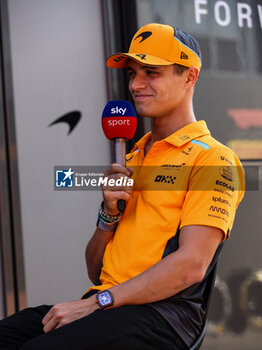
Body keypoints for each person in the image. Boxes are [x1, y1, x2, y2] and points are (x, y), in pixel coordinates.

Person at [0, 23, 245, 350]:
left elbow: (191, 266)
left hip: (163, 317)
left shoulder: (214, 159)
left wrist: (93, 304)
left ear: (189, 76)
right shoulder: (132, 156)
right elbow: (96, 271)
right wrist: (108, 213)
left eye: (151, 73)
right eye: (132, 73)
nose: (136, 84)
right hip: (108, 305)